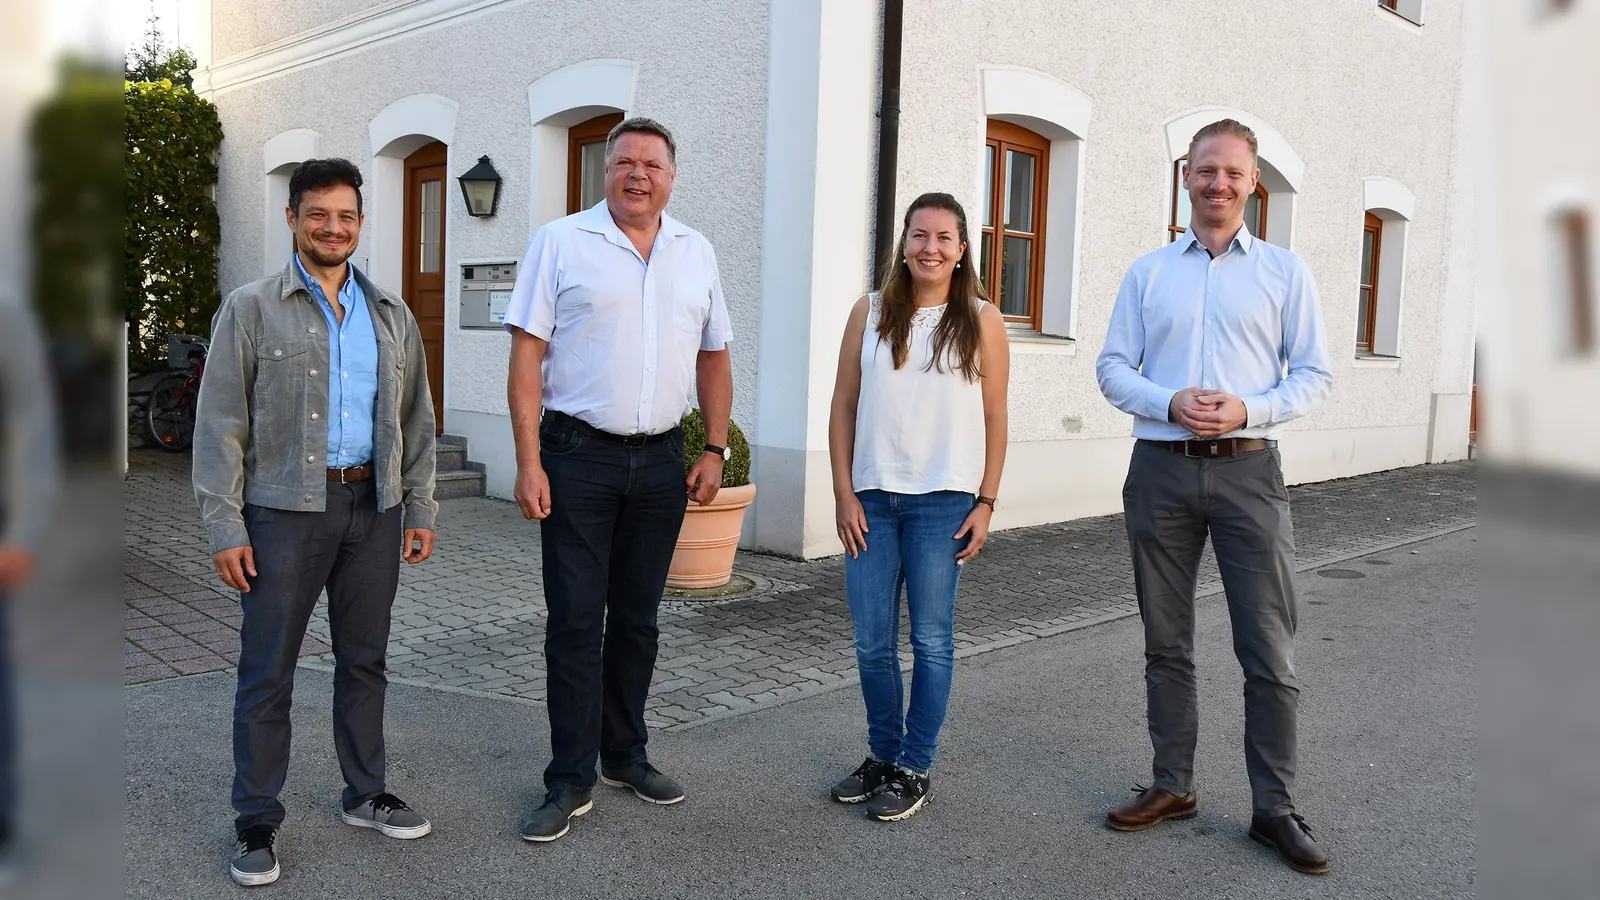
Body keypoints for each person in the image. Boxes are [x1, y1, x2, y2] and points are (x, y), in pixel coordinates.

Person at [1094, 119, 1333, 874]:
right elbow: (1112, 367)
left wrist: (1247, 409)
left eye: (1232, 173)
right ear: (1186, 177)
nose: (1218, 184)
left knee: (1267, 647)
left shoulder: (1286, 273)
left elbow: (1314, 375)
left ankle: (1275, 808)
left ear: (1252, 182)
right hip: (1160, 468)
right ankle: (1173, 785)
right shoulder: (1149, 273)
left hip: (1249, 469)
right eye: (1205, 170)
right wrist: (1168, 402)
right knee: (1167, 642)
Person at [192, 158, 439, 887]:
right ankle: (256, 820)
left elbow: (417, 420)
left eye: (347, 216)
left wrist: (419, 506)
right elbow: (219, 426)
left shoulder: (391, 314)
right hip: (281, 514)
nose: (334, 227)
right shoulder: (250, 307)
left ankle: (366, 792)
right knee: (267, 671)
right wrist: (225, 526)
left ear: (360, 224)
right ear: (294, 219)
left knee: (365, 660)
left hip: (373, 508)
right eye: (319, 214)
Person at [503, 117, 734, 843]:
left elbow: (715, 356)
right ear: (605, 172)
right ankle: (568, 779)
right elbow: (526, 356)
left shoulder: (696, 252)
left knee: (638, 620)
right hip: (577, 457)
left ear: (672, 175)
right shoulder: (562, 242)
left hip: (664, 461)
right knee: (575, 622)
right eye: (625, 162)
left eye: (652, 165)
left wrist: (715, 449)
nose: (638, 174)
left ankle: (625, 754)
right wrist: (529, 460)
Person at [825, 192, 1009, 822]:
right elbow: (844, 402)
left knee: (931, 640)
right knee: (873, 641)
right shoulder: (869, 310)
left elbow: (994, 415)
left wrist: (986, 500)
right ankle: (882, 755)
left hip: (944, 503)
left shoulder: (982, 318)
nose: (930, 247)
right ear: (902, 243)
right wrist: (843, 491)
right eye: (919, 235)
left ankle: (914, 765)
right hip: (872, 499)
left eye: (944, 238)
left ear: (962, 251)